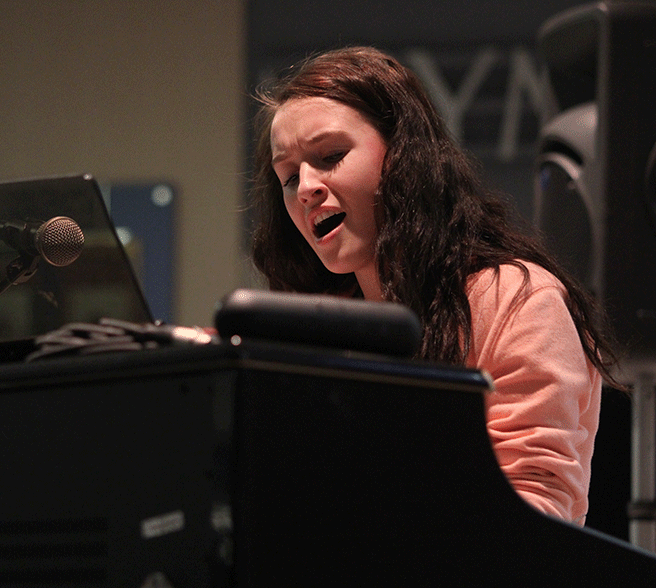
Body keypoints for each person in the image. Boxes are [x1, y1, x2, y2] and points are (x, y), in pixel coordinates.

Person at [249, 46, 622, 525]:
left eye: (330, 156)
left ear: (403, 155)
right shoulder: (327, 322)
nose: (305, 188)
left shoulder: (517, 298)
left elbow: (534, 516)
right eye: (288, 176)